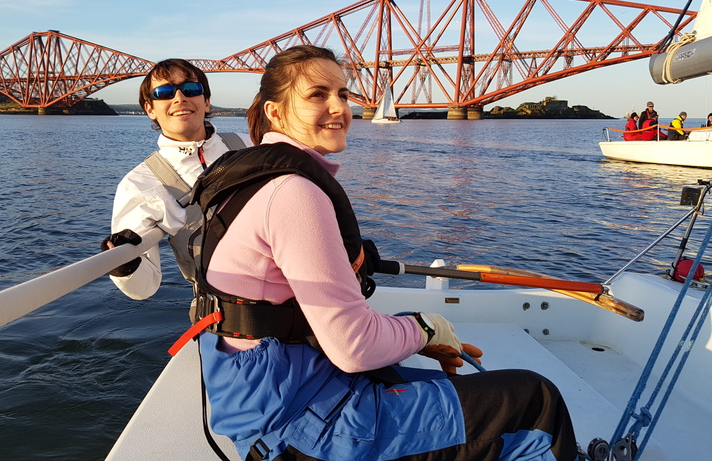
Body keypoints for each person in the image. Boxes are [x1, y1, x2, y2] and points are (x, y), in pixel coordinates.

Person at [191, 45, 579, 461]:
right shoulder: (293, 192)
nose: (338, 107)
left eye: (343, 94)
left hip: (270, 403)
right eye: (317, 95)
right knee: (534, 400)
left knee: (422, 379)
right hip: (300, 428)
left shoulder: (248, 182)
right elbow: (352, 347)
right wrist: (426, 328)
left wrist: (411, 340)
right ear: (275, 112)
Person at [102, 58, 248, 299]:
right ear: (150, 109)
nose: (179, 98)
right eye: (165, 92)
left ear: (207, 102)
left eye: (191, 89)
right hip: (229, 311)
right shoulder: (140, 184)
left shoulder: (251, 144)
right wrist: (123, 263)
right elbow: (143, 288)